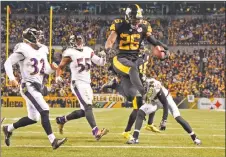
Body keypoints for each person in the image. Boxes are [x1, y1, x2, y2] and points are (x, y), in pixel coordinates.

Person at [105, 4, 169, 139]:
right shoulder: (119, 24)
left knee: (134, 99)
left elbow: (151, 39)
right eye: (135, 18)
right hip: (120, 59)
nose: (138, 21)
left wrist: (162, 45)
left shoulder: (144, 26)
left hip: (133, 62)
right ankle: (145, 94)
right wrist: (107, 49)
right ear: (128, 17)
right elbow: (111, 39)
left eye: (139, 18)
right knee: (135, 73)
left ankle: (127, 131)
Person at [3, 28, 67, 149]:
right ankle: (53, 141)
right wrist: (11, 78)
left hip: (37, 86)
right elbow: (7, 63)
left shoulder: (43, 49)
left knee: (33, 118)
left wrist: (53, 69)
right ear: (30, 37)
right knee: (44, 109)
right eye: (37, 35)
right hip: (28, 85)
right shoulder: (23, 48)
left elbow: (45, 70)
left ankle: (8, 128)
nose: (39, 38)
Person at [55, 34, 109, 140]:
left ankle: (62, 120)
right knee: (88, 106)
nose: (79, 42)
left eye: (80, 40)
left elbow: (100, 63)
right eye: (77, 41)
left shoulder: (88, 50)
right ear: (72, 42)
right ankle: (96, 131)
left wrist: (103, 56)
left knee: (84, 111)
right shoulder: (69, 52)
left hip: (87, 83)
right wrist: (57, 77)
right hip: (77, 83)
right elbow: (60, 67)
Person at [127, 78, 202, 145]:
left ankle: (195, 138)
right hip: (154, 101)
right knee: (141, 112)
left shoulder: (154, 85)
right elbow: (141, 101)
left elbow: (165, 103)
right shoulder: (139, 88)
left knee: (178, 117)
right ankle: (135, 138)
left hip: (165, 99)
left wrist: (164, 120)